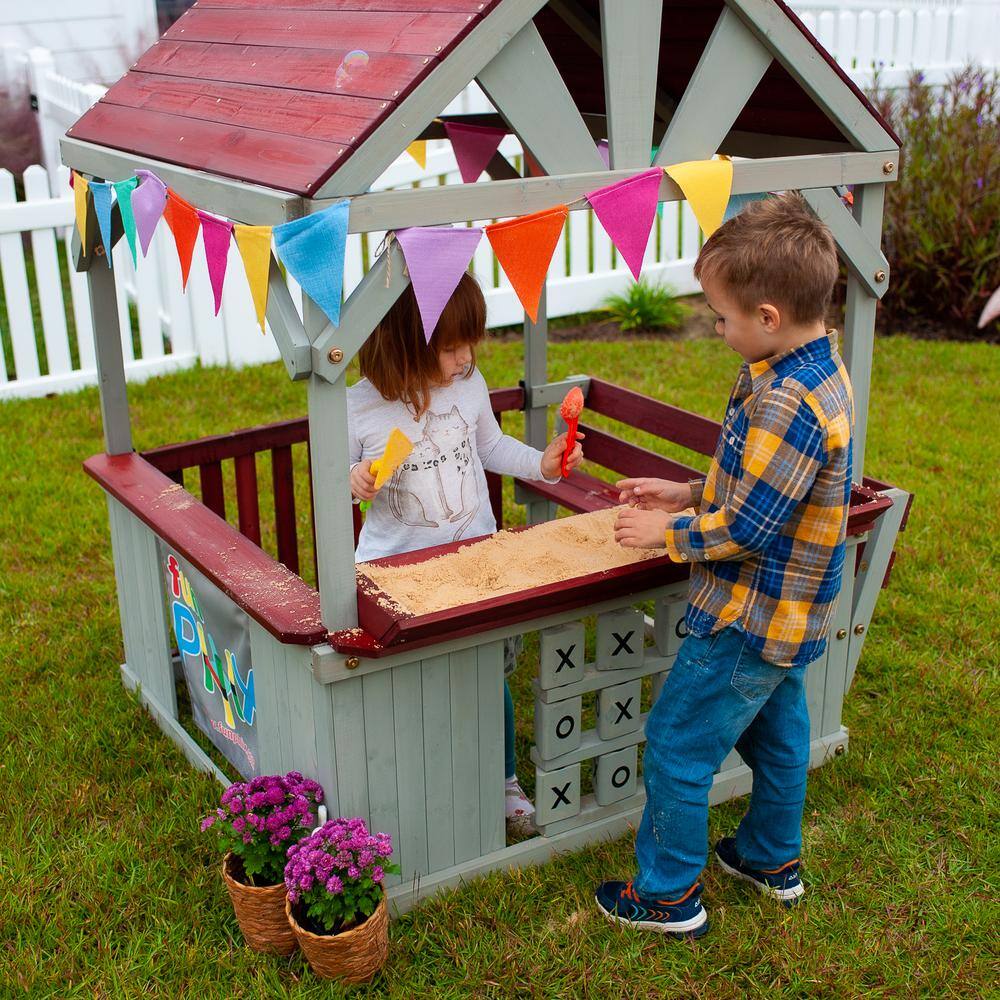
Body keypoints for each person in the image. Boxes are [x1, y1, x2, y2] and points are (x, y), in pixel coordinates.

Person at [596, 194, 854, 938]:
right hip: (788, 614)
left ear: (768, 316)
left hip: (747, 614)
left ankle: (668, 896)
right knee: (777, 738)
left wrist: (667, 531)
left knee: (677, 745)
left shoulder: (788, 402)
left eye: (722, 316)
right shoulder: (806, 367)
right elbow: (764, 486)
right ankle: (772, 858)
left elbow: (746, 527)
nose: (716, 327)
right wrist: (684, 489)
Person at [348, 273, 584, 837]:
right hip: (397, 574)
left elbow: (490, 447)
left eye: (470, 343)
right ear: (406, 342)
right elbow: (334, 480)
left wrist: (542, 465)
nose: (467, 357)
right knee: (415, 683)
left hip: (476, 560)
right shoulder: (357, 407)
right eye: (452, 347)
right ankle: (421, 779)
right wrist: (354, 481)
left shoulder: (468, 384)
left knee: (486, 677)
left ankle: (502, 780)